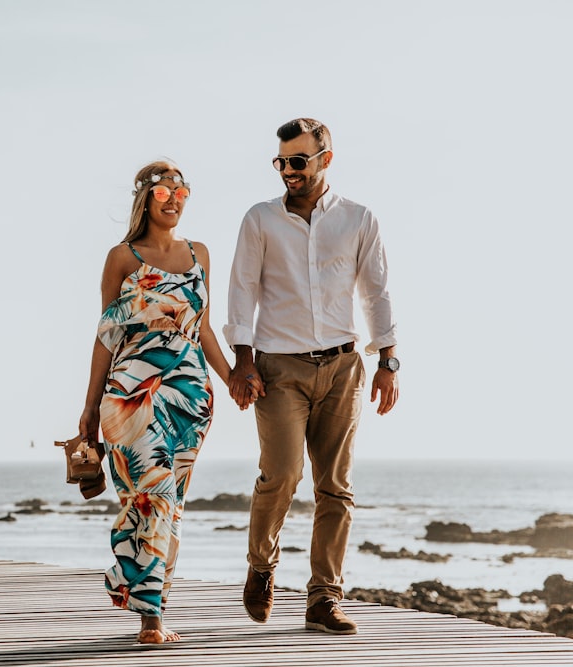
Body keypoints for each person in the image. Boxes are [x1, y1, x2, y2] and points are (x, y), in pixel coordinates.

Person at [224, 118, 399, 635]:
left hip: (344, 366)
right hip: (279, 368)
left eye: (298, 161)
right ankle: (261, 565)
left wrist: (388, 359)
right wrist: (242, 359)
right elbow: (242, 290)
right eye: (281, 162)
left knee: (335, 488)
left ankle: (324, 597)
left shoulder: (358, 218)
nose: (288, 171)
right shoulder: (260, 219)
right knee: (281, 475)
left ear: (325, 158)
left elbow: (376, 292)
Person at [78, 160, 232, 645]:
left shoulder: (199, 252)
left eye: (182, 191)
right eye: (165, 191)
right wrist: (87, 409)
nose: (175, 199)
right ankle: (151, 617)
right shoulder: (122, 258)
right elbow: (107, 335)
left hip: (191, 400)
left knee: (170, 503)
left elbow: (202, 327)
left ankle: (139, 587)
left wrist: (230, 379)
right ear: (144, 198)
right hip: (130, 398)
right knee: (154, 497)